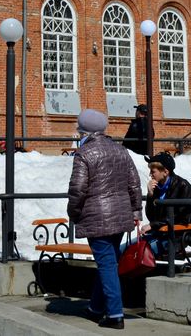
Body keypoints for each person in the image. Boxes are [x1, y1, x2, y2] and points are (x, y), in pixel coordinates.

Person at [67, 108, 141, 330]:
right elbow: (134, 183)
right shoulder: (120, 150)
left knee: (107, 264)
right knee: (107, 263)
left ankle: (115, 314)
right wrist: (136, 211)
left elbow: (78, 188)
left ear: (84, 131)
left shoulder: (84, 154)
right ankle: (96, 308)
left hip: (96, 216)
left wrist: (73, 212)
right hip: (120, 216)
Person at [137, 152, 191, 260]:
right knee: (124, 249)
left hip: (174, 238)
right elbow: (151, 216)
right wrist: (150, 195)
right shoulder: (157, 187)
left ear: (165, 172)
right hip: (157, 234)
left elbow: (178, 216)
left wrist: (153, 225)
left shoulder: (183, 187)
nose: (150, 175)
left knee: (139, 252)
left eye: (153, 171)